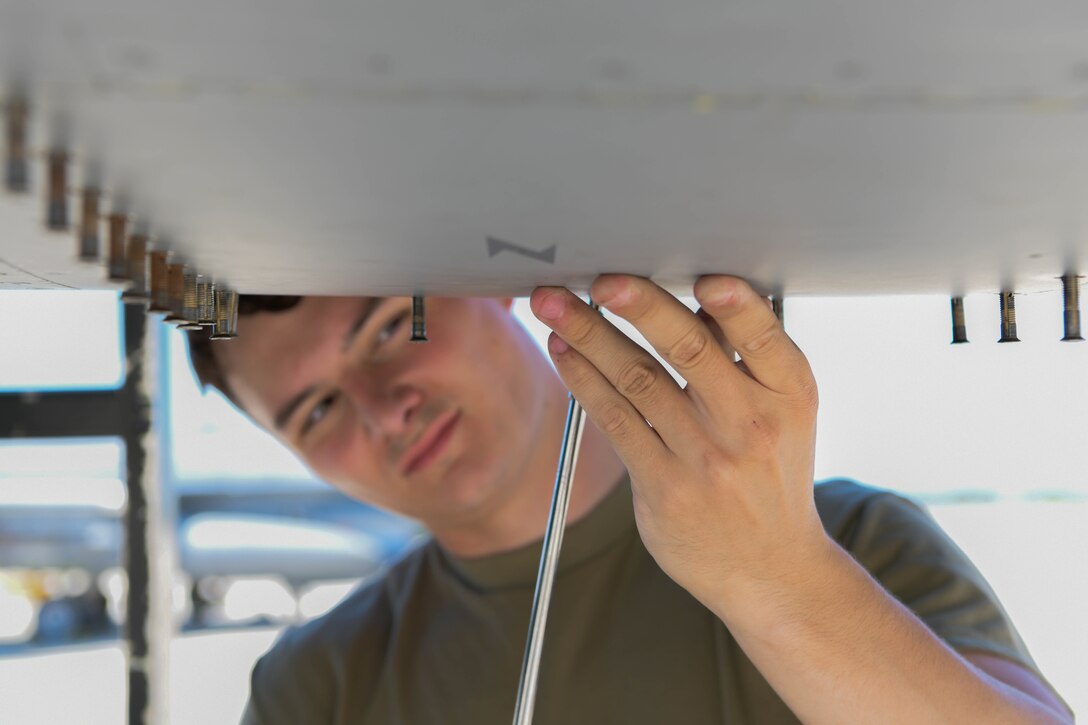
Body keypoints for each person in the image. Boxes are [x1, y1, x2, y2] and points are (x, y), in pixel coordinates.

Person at [186, 275, 1073, 724]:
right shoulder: (319, 685)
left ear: (487, 284)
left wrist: (778, 578)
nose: (385, 407)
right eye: (317, 409)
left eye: (391, 327)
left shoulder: (847, 540)